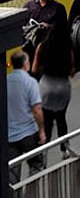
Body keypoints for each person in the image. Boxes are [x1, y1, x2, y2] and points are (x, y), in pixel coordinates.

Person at [31, 22, 75, 160]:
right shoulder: (68, 49)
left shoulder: (42, 47)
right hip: (63, 87)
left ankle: (43, 153)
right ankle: (65, 149)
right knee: (61, 119)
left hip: (46, 86)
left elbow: (34, 69)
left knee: (47, 121)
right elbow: (72, 71)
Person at [7, 51, 45, 185]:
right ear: (25, 64)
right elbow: (37, 110)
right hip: (29, 133)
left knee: (12, 173)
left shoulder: (6, 81)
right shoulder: (30, 82)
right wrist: (41, 131)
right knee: (36, 166)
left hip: (10, 136)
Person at [22, 0, 68, 67]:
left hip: (49, 49)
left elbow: (64, 29)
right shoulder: (29, 6)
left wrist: (49, 26)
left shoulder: (58, 8)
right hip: (31, 48)